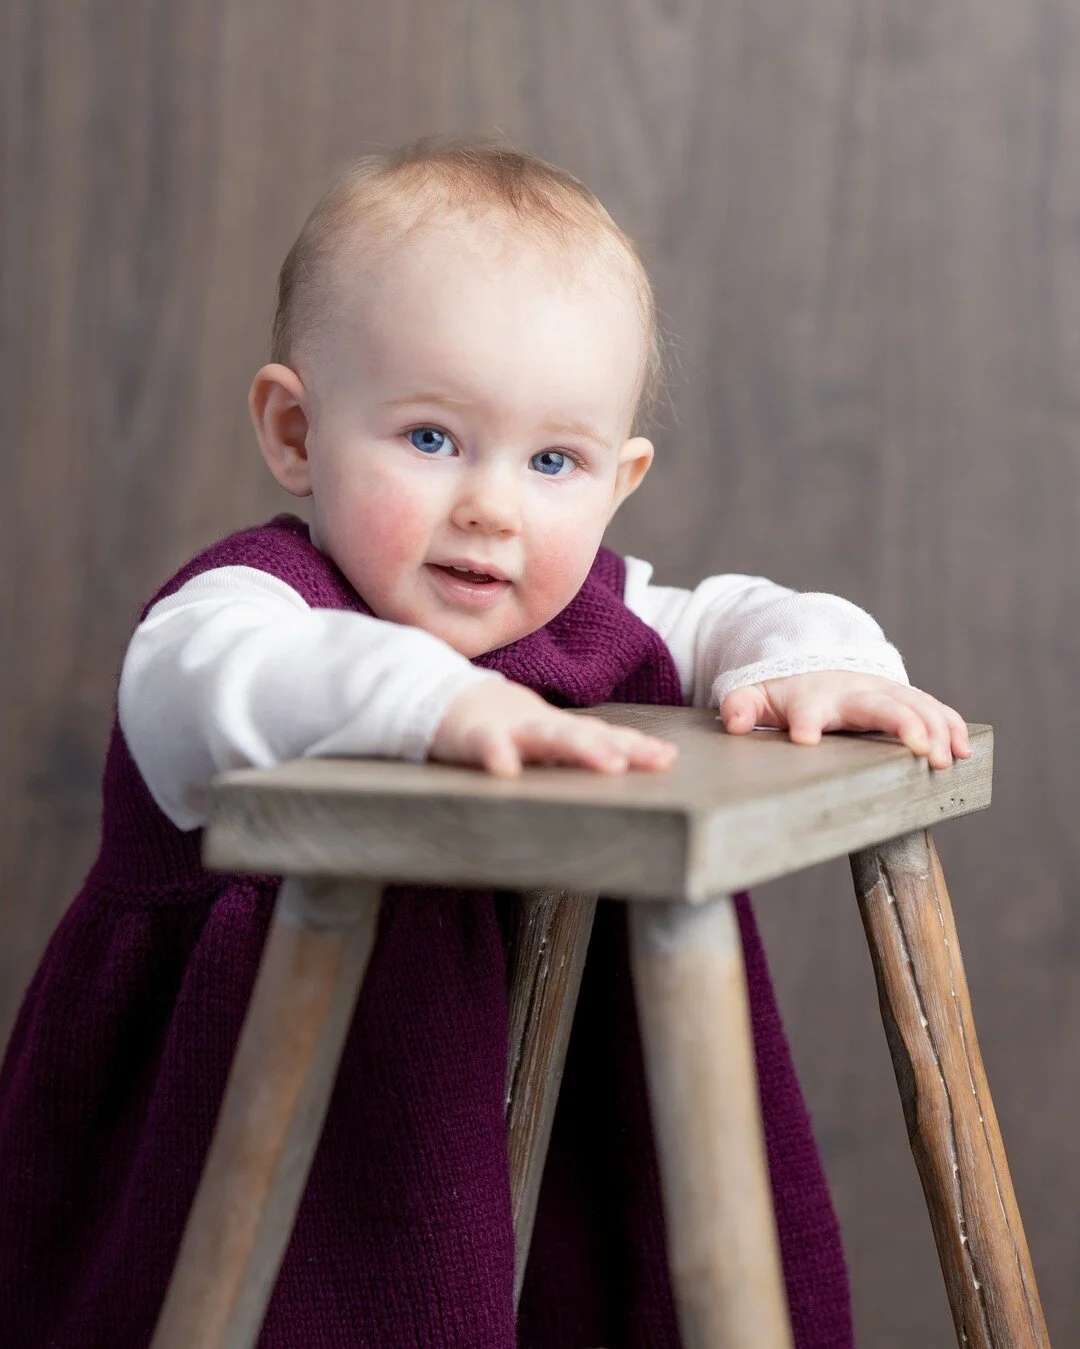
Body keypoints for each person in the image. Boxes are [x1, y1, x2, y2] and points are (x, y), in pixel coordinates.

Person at [0, 137, 970, 1349]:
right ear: (296, 431)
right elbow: (189, 685)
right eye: (430, 438)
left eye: (553, 460)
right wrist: (438, 703)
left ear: (619, 482)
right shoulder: (253, 607)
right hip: (253, 1131)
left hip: (512, 1103)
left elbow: (726, 614)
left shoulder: (583, 614)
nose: (492, 506)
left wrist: (816, 659)